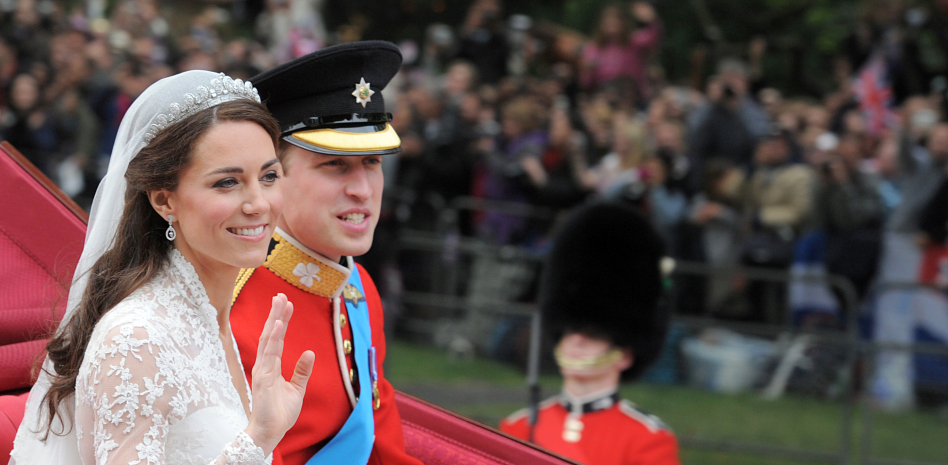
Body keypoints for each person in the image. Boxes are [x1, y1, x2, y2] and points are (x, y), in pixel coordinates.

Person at [11, 70, 314, 464]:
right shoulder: (136, 340)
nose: (259, 203)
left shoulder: (208, 316)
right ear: (163, 201)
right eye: (227, 182)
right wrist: (257, 441)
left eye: (269, 176)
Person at [229, 42, 423, 465]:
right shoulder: (226, 298)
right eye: (335, 165)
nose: (362, 189)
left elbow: (383, 449)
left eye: (372, 162)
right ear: (271, 176)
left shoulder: (357, 287)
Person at [499, 202, 680, 465]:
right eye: (570, 329)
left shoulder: (648, 440)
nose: (577, 340)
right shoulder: (517, 428)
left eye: (594, 334)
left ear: (625, 356)